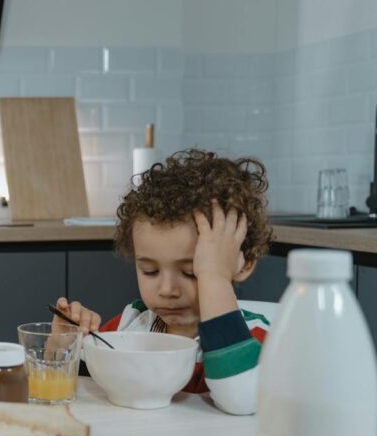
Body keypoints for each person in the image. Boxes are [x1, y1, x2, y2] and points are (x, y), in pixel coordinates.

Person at [55, 149, 274, 415]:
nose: (167, 290)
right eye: (149, 271)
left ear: (244, 263)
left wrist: (215, 278)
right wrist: (64, 343)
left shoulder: (257, 336)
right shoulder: (133, 323)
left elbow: (241, 398)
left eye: (194, 272)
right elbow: (81, 385)